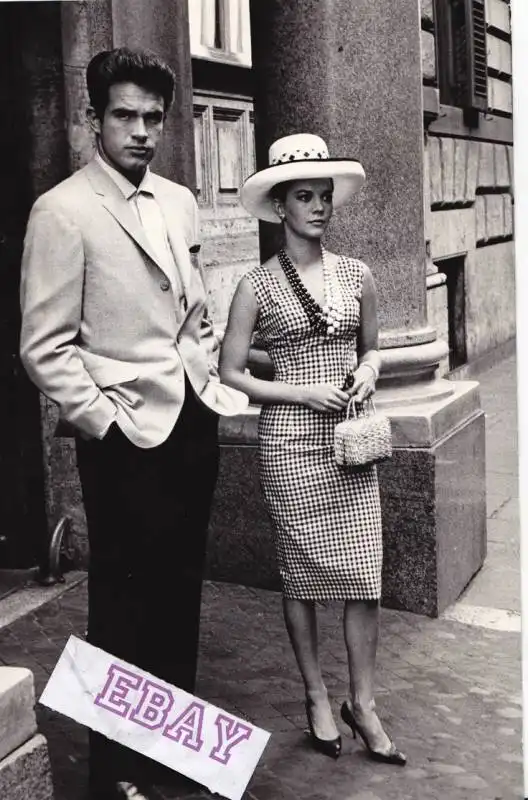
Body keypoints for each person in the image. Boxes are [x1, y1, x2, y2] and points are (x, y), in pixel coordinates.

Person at [20, 47, 247, 800]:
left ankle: (171, 753)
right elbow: (43, 348)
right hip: (123, 438)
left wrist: (206, 373)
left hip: (190, 425)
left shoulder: (179, 200)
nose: (142, 131)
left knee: (180, 590)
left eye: (153, 117)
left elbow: (195, 307)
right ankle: (116, 772)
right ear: (93, 119)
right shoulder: (62, 210)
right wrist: (103, 423)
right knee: (122, 600)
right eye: (125, 115)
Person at [219, 133, 406, 766]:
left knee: (363, 576)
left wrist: (371, 371)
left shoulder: (358, 274)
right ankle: (316, 694)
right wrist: (300, 394)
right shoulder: (258, 285)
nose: (320, 208)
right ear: (279, 206)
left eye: (325, 197)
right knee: (300, 576)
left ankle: (365, 702)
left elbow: (373, 347)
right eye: (306, 197)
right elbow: (231, 372)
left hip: (350, 446)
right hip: (292, 448)